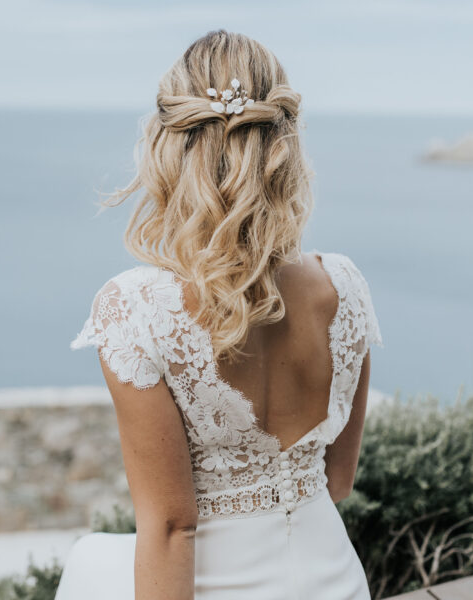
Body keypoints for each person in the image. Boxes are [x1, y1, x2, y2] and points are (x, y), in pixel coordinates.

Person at [56, 29, 383, 600]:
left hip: (216, 586)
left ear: (167, 146)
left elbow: (172, 527)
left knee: (88, 561)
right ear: (286, 144)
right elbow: (338, 480)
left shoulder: (133, 310)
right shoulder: (345, 286)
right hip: (334, 581)